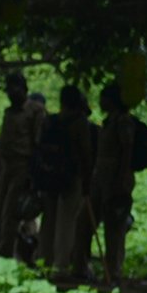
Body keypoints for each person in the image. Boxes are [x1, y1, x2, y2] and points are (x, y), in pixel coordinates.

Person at [34, 85, 95, 278]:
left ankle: (44, 262)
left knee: (48, 221)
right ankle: (60, 267)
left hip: (50, 177)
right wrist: (87, 180)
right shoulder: (79, 123)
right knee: (66, 223)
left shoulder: (50, 121)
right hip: (71, 177)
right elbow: (85, 154)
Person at [92, 85, 141, 285]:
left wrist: (121, 178)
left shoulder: (123, 122)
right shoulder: (109, 121)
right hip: (102, 179)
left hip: (116, 180)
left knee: (115, 227)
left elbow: (127, 149)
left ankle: (114, 271)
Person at [0, 73, 43, 261]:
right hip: (5, 166)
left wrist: (33, 173)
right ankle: (12, 250)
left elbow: (38, 143)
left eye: (16, 89)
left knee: (11, 212)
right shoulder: (9, 112)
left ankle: (4, 254)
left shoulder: (35, 111)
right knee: (0, 208)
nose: (12, 93)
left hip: (22, 166)